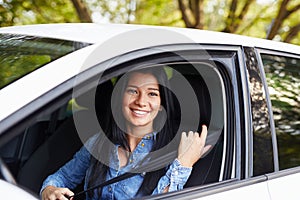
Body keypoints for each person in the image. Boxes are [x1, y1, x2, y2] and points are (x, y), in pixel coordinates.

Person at [41, 67, 210, 200]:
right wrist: (49, 190)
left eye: (152, 93)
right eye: (133, 91)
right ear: (119, 97)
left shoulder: (174, 151)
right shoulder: (98, 142)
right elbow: (62, 177)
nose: (141, 101)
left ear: (161, 104)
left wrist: (184, 164)